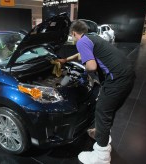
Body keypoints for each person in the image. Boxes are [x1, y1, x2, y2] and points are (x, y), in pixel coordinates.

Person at [56, 20, 135, 164]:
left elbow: (91, 66)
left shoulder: (81, 42)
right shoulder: (93, 37)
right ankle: (101, 134)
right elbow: (81, 55)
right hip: (128, 74)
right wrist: (65, 60)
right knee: (108, 110)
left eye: (72, 36)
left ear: (73, 33)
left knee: (102, 112)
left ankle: (101, 157)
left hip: (116, 80)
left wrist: (79, 72)